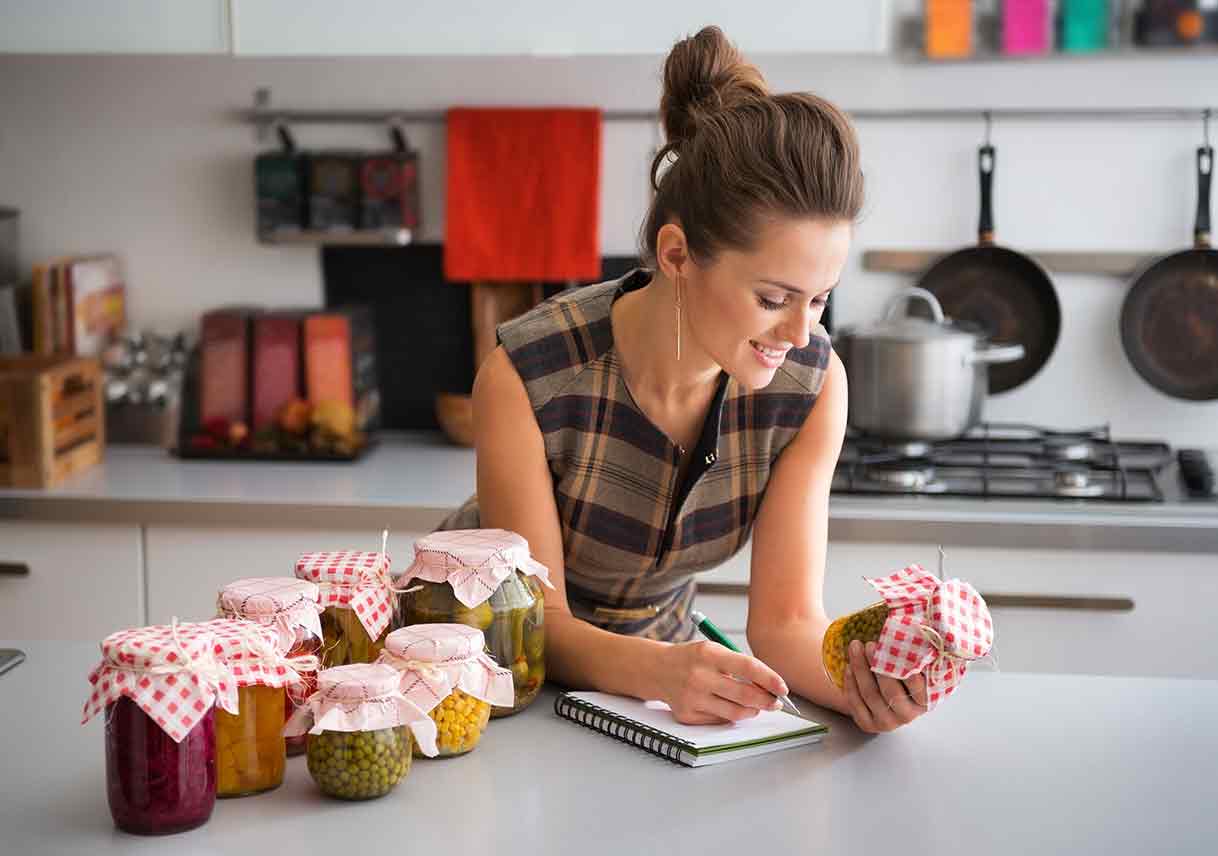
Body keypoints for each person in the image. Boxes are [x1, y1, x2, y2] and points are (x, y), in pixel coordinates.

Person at [439, 25, 926, 734]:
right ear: (676, 254)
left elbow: (788, 623)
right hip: (479, 678)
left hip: (653, 697)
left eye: (819, 299)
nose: (799, 333)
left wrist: (863, 690)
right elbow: (534, 622)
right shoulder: (530, 375)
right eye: (772, 298)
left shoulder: (812, 387)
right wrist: (660, 669)